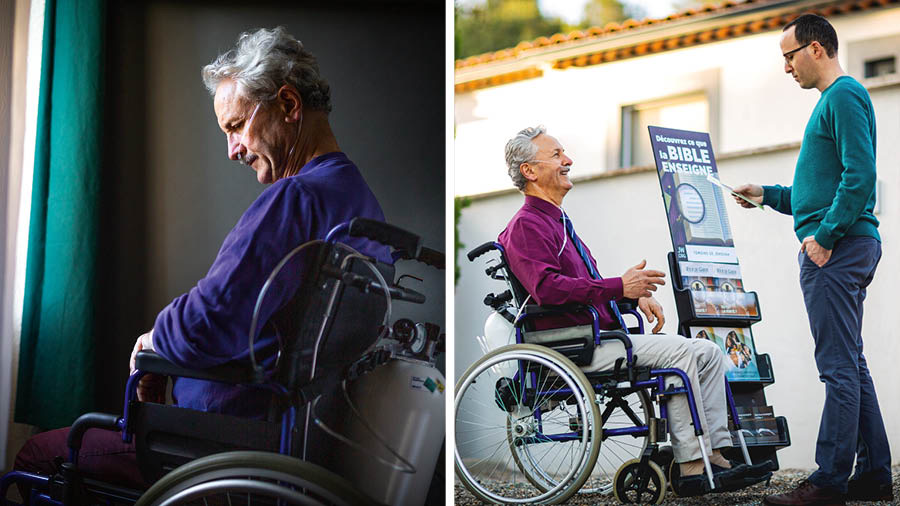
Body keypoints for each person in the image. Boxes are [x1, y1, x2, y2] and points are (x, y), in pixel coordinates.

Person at [15, 26, 390, 488]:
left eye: (235, 127)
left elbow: (211, 319)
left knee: (37, 454)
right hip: (301, 440)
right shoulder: (360, 203)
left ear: (288, 106)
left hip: (224, 442)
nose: (232, 150)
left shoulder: (296, 199)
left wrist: (153, 341)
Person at [498, 125, 771, 495]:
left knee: (707, 350)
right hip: (574, 345)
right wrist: (617, 287)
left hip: (600, 336)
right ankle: (691, 465)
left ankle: (715, 455)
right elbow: (547, 290)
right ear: (529, 170)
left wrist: (630, 297)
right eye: (557, 155)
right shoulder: (526, 226)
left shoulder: (557, 222)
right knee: (679, 353)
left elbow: (585, 287)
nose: (568, 160)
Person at [732, 14, 892, 505]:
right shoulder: (835, 101)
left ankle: (828, 482)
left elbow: (860, 177)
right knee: (852, 364)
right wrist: (767, 194)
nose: (786, 68)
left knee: (837, 368)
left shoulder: (842, 95)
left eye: (790, 55)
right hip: (845, 245)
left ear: (817, 48)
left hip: (837, 251)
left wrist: (822, 238)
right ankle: (874, 476)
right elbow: (815, 190)